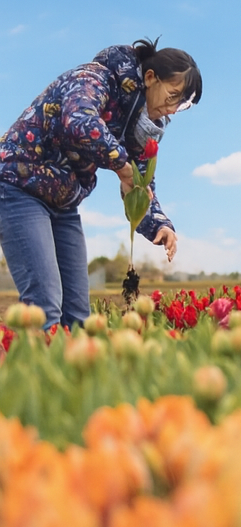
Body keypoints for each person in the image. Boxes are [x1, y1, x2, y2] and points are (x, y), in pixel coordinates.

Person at [0, 39, 202, 330]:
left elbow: (139, 182)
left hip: (63, 203)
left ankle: (73, 373)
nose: (171, 109)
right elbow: (79, 120)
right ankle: (33, 371)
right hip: (19, 187)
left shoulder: (141, 124)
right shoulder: (95, 77)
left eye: (180, 105)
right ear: (149, 78)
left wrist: (159, 224)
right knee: (44, 305)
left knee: (78, 316)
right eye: (172, 96)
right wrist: (121, 165)